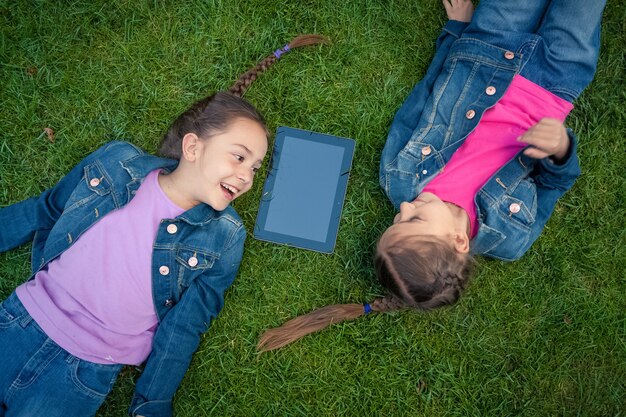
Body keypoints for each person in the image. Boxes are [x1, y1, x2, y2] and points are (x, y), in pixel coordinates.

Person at [0, 35, 327, 416]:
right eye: (239, 157)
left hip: (83, 373)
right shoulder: (116, 164)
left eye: (254, 168)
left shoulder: (224, 237)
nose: (247, 177)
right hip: (19, 323)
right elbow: (47, 209)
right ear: (193, 148)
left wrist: (152, 402)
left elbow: (184, 327)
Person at [257, 0, 606, 352]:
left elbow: (425, 95)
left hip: (486, 47)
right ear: (459, 241)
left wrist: (455, 32)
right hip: (558, 76)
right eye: (416, 218)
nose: (406, 206)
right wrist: (561, 148)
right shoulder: (509, 237)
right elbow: (555, 182)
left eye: (398, 217)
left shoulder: (400, 176)